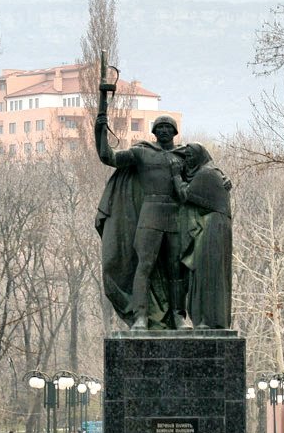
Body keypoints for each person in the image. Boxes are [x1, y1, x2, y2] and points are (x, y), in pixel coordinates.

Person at [95, 112, 188, 330]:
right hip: (149, 215)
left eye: (168, 127)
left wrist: (222, 180)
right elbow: (109, 157)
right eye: (160, 127)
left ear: (175, 132)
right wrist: (100, 131)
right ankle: (141, 317)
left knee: (175, 269)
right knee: (144, 266)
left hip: (175, 216)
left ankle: (178, 316)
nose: (164, 130)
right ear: (154, 132)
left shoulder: (184, 155)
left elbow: (205, 171)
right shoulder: (142, 152)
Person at [173, 142, 232, 329]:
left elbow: (184, 194)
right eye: (186, 156)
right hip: (213, 225)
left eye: (191, 156)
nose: (188, 159)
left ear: (200, 156)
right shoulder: (210, 172)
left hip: (212, 227)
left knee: (207, 273)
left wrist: (175, 175)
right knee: (205, 273)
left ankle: (207, 320)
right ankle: (206, 320)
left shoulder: (206, 174)